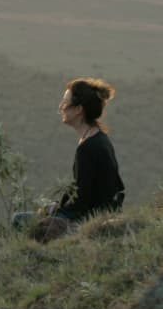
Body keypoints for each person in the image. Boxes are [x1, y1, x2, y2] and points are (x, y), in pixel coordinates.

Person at [53, 77, 125, 222]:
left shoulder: (87, 148)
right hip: (104, 213)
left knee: (20, 220)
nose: (61, 106)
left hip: (90, 218)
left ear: (79, 109)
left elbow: (81, 200)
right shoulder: (99, 138)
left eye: (65, 103)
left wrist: (57, 211)